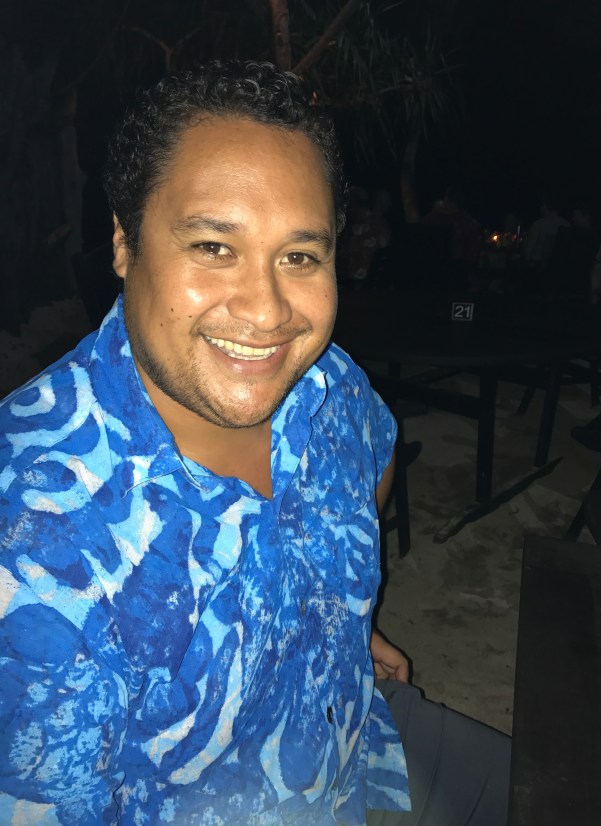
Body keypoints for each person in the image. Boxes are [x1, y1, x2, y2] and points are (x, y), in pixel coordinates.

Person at [0, 61, 510, 824]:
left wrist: (338, 617)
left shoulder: (326, 383)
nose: (268, 311)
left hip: (359, 740)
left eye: (299, 256)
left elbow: (375, 452)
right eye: (214, 246)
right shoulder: (35, 544)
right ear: (123, 243)